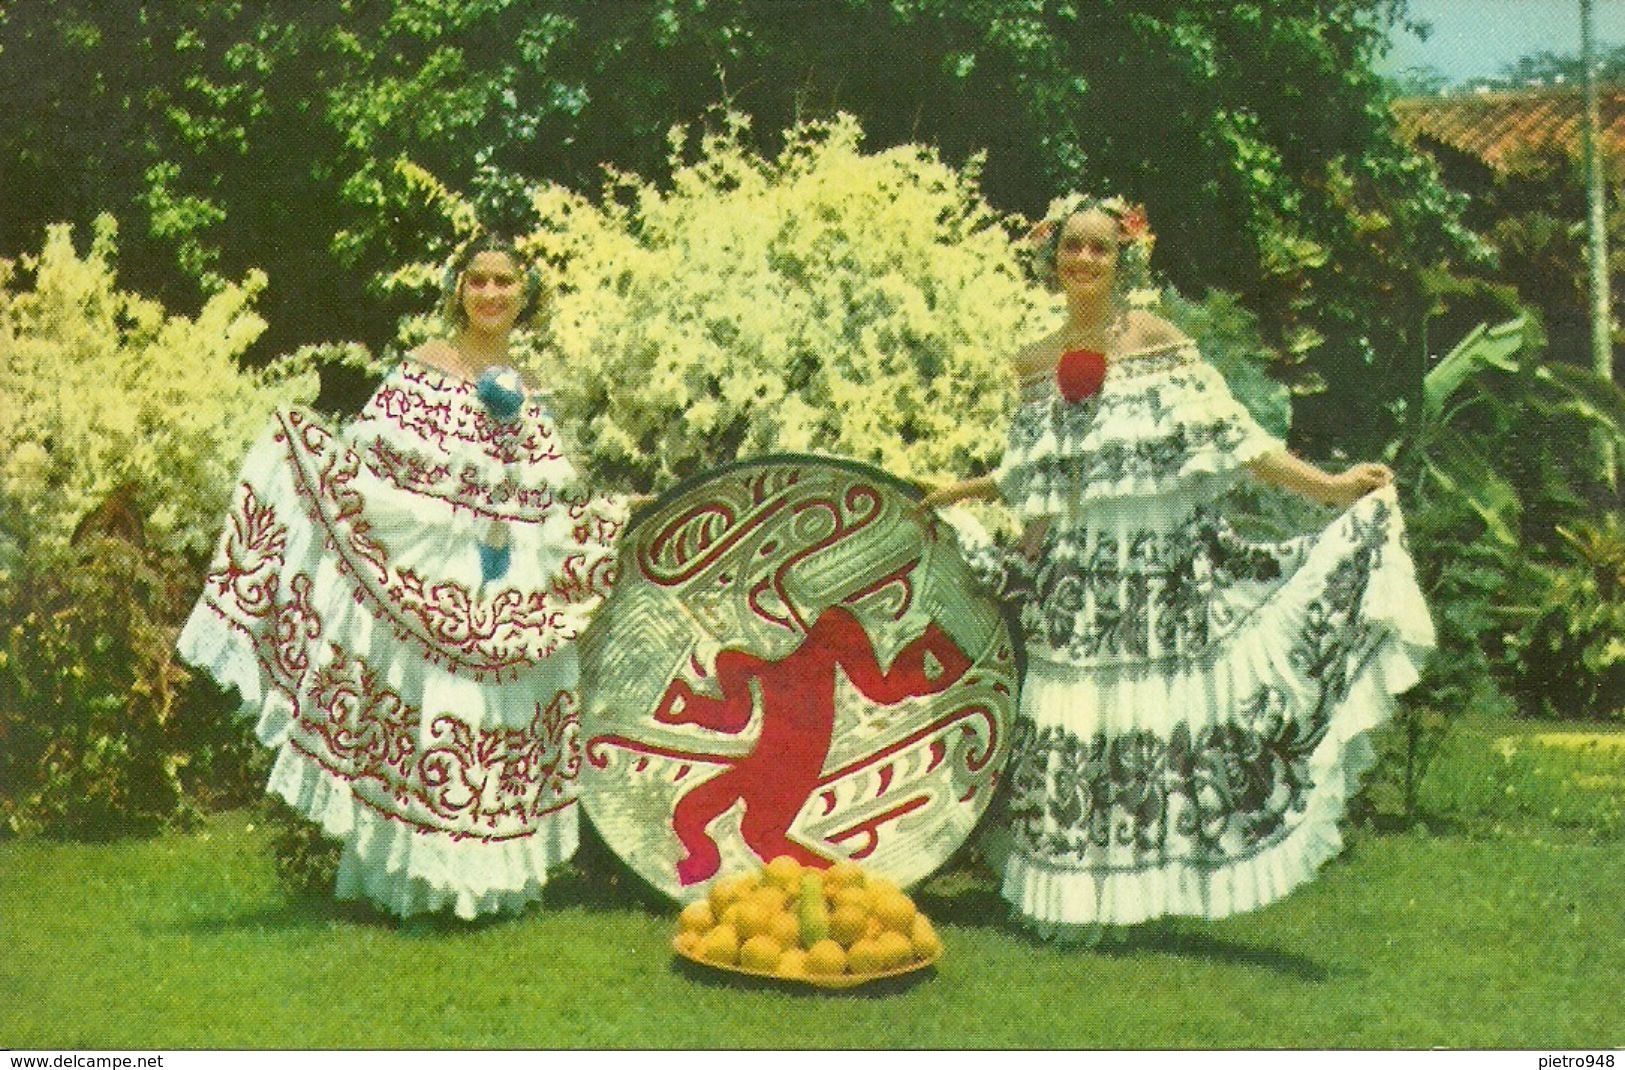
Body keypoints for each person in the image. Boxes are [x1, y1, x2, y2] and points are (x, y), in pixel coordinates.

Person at [922, 195, 1435, 939]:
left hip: (1157, 572)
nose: (1084, 261)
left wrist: (1328, 488)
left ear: (1124, 259)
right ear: (1050, 257)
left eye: (1100, 249)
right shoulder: (1034, 362)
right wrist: (970, 505)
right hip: (1077, 578)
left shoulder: (1156, 339)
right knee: (1079, 725)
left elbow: (1234, 439)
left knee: (1152, 721)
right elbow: (1033, 479)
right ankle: (1075, 907)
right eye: (1073, 247)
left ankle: (1138, 900)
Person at [178, 234, 625, 920]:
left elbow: (538, 504)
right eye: (477, 280)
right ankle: (410, 887)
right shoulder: (422, 370)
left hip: (505, 588)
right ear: (457, 289)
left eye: (504, 281)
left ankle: (488, 887)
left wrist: (605, 517)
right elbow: (374, 473)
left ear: (524, 292)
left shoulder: (533, 392)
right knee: (430, 708)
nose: (490, 294)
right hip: (431, 573)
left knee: (492, 715)